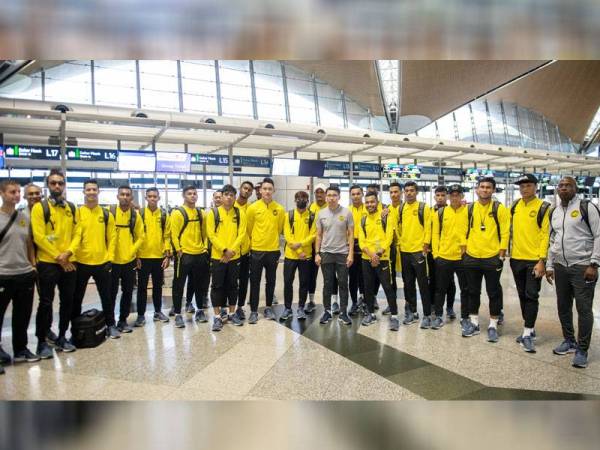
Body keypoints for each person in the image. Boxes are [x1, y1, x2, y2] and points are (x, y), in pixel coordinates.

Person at [546, 176, 600, 368]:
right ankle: (569, 341)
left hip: (582, 266)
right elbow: (552, 240)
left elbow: (599, 235)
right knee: (563, 306)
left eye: (568, 185)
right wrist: (550, 265)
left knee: (584, 309)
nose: (564, 188)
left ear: (575, 188)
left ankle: (582, 349)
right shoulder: (555, 211)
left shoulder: (587, 207)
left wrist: (594, 264)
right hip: (561, 267)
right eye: (561, 186)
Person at [31, 169, 77, 358]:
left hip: (69, 262)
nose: (57, 186)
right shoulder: (40, 208)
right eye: (53, 183)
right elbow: (39, 237)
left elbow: (77, 234)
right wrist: (59, 256)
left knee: (68, 301)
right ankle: (42, 341)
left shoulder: (71, 208)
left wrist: (68, 253)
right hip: (48, 263)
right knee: (46, 302)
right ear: (48, 185)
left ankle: (62, 337)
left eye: (60, 183)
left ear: (64, 185)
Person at [460, 176, 510, 342]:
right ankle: (474, 323)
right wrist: (464, 250)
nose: (485, 190)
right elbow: (463, 230)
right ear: (476, 189)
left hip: (492, 257)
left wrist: (501, 255)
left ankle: (493, 324)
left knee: (493, 292)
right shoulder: (469, 208)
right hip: (472, 257)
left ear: (493, 190)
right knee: (472, 291)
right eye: (482, 187)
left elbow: (505, 233)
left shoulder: (499, 208)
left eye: (488, 187)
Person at [0, 179, 40, 369]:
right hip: (3, 274)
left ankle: (21, 348)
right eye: (11, 192)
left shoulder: (24, 217)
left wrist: (32, 266)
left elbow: (29, 244)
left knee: (22, 315)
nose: (15, 195)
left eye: (17, 192)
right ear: (2, 194)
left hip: (24, 273)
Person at [509, 174, 551, 353]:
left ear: (535, 187)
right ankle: (530, 327)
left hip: (534, 260)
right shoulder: (515, 206)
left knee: (532, 294)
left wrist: (542, 260)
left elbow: (546, 235)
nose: (524, 189)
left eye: (527, 185)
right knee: (522, 294)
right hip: (516, 258)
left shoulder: (544, 207)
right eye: (521, 186)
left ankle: (526, 333)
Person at [71, 179, 118, 338]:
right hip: (81, 262)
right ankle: (76, 331)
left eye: (94, 189)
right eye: (88, 190)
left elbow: (112, 237)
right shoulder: (77, 213)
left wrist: (110, 258)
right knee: (77, 298)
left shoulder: (105, 214)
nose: (91, 192)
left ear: (99, 192)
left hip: (102, 263)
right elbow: (73, 236)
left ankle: (111, 325)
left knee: (107, 296)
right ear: (84, 192)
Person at [206, 184, 247, 331]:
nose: (229, 197)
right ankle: (217, 317)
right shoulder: (213, 213)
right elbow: (211, 234)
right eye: (226, 194)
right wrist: (224, 250)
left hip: (234, 257)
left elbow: (242, 234)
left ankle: (231, 313)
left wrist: (232, 251)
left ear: (235, 197)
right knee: (217, 286)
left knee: (233, 286)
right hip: (218, 257)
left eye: (232, 195)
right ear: (221, 197)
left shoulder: (240, 213)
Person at [359, 191, 400, 331]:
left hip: (382, 259)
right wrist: (371, 255)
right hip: (367, 259)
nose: (370, 204)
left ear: (377, 202)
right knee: (368, 288)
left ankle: (394, 316)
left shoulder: (385, 216)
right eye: (368, 202)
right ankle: (370, 314)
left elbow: (389, 237)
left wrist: (378, 254)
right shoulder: (363, 219)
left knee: (388, 287)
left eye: (372, 201)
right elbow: (362, 242)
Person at [430, 184, 469, 330]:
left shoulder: (468, 212)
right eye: (452, 195)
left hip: (462, 257)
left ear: (462, 196)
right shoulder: (440, 213)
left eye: (457, 195)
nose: (454, 198)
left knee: (465, 289)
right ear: (448, 197)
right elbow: (435, 234)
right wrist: (436, 254)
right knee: (441, 288)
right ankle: (439, 316)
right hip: (444, 257)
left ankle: (465, 317)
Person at [246, 178, 285, 324]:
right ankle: (254, 311)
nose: (267, 191)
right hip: (256, 250)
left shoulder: (279, 209)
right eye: (265, 189)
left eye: (270, 189)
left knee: (271, 281)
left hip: (273, 251)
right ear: (260, 191)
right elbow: (248, 229)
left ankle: (268, 307)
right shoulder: (253, 208)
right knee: (255, 281)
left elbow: (280, 229)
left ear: (274, 191)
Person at [170, 185, 209, 328]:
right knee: (179, 285)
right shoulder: (177, 213)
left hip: (199, 254)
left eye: (194, 193)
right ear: (184, 196)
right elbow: (173, 234)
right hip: (184, 255)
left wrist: (204, 247)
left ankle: (199, 310)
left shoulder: (201, 213)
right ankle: (178, 314)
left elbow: (205, 232)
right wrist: (178, 249)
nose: (193, 196)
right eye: (189, 194)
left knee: (199, 285)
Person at [315, 185, 354, 325]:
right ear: (326, 197)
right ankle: (327, 311)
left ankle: (343, 312)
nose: (331, 198)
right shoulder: (321, 213)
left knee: (343, 283)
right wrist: (317, 253)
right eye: (329, 195)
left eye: (334, 195)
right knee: (327, 283)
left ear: (339, 197)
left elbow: (351, 234)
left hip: (342, 254)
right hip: (326, 253)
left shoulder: (347, 212)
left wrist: (351, 254)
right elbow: (318, 235)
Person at [109, 185, 145, 333]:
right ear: (117, 196)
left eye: (127, 195)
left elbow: (140, 236)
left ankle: (122, 320)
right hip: (111, 261)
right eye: (122, 194)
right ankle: (109, 323)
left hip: (129, 260)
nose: (124, 197)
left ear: (131, 198)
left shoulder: (135, 216)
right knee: (110, 293)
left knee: (128, 292)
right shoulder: (109, 213)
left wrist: (133, 252)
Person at [135, 187, 171, 327]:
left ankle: (157, 312)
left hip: (158, 257)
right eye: (150, 196)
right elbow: (136, 235)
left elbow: (167, 236)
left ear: (158, 198)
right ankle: (140, 315)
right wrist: (136, 256)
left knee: (158, 286)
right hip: (143, 257)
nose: (152, 198)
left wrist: (167, 255)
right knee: (142, 287)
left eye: (155, 196)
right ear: (146, 198)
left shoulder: (163, 215)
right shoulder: (140, 214)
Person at [398, 181, 431, 326]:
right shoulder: (401, 208)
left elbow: (428, 228)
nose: (409, 193)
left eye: (412, 190)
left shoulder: (424, 207)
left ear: (416, 192)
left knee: (423, 284)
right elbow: (398, 228)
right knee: (408, 284)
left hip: (419, 252)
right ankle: (412, 312)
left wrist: (425, 247)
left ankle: (427, 314)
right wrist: (400, 243)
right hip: (405, 251)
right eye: (406, 191)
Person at [281, 190, 317, 321]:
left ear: (307, 201)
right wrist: (298, 250)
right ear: (295, 200)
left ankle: (301, 307)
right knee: (287, 282)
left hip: (306, 256)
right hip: (291, 255)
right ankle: (287, 308)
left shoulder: (312, 216)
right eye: (298, 199)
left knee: (304, 283)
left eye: (304, 199)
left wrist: (301, 245)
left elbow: (313, 235)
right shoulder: (288, 215)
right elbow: (287, 235)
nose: (301, 200)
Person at [431, 185, 457, 319]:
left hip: (450, 254)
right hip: (435, 253)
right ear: (434, 197)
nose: (440, 198)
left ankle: (450, 307)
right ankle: (434, 305)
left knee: (450, 282)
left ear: (446, 196)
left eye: (443, 195)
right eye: (438, 195)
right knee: (435, 281)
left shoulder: (453, 210)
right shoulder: (430, 211)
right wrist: (435, 253)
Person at [308, 183, 330, 311]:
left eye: (322, 192)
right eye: (317, 192)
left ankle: (333, 301)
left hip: (328, 247)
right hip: (313, 247)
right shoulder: (311, 208)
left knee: (330, 276)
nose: (319, 195)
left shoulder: (331, 207)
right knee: (312, 275)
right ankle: (311, 301)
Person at [381, 181, 402, 315]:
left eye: (396, 192)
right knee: (391, 277)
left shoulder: (405, 207)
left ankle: (410, 306)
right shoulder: (386, 210)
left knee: (408, 278)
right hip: (391, 248)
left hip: (406, 248)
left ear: (401, 193)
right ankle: (391, 304)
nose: (394, 195)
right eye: (391, 192)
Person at [234, 180, 254, 320]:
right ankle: (226, 307)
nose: (246, 191)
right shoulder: (229, 206)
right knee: (229, 281)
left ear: (251, 193)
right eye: (245, 188)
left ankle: (240, 307)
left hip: (245, 251)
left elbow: (253, 229)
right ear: (240, 189)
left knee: (243, 280)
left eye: (249, 190)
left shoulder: (251, 208)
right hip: (231, 251)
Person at [348, 185, 366, 316]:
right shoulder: (346, 211)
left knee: (365, 277)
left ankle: (365, 302)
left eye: (358, 193)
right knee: (353, 277)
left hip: (366, 246)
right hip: (351, 246)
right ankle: (354, 303)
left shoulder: (370, 208)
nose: (356, 196)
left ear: (362, 194)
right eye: (353, 194)